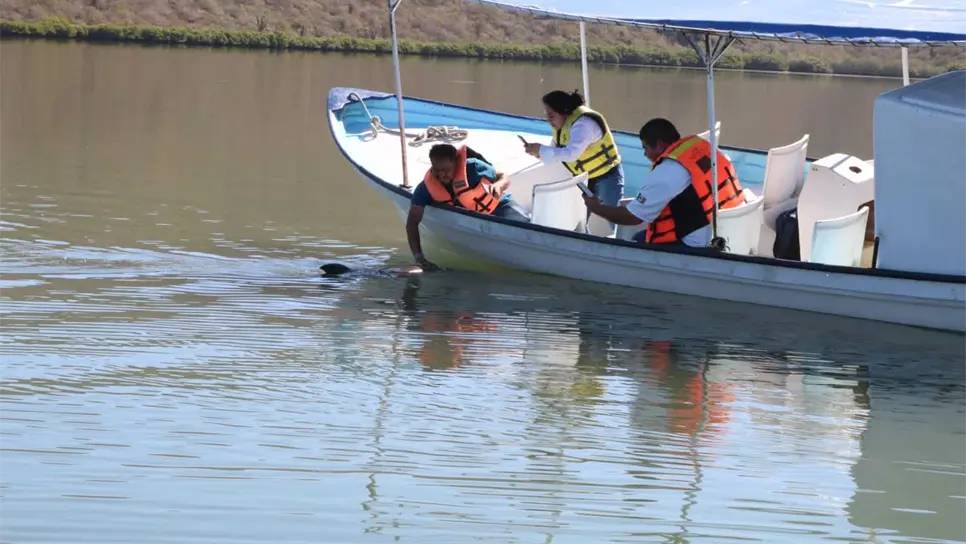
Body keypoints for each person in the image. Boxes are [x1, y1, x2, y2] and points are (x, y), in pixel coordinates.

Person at [581, 117, 746, 248]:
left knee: (636, 240)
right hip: (726, 233)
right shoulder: (703, 147)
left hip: (695, 244)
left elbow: (632, 217)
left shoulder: (666, 173)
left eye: (646, 148)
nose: (645, 154)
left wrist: (597, 208)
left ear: (659, 145)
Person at [407, 143, 530, 271]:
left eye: (446, 170)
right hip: (474, 221)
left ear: (456, 163)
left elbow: (503, 176)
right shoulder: (426, 187)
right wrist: (419, 258)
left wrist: (499, 185)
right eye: (437, 170)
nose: (442, 174)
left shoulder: (473, 167)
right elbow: (412, 222)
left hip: (500, 206)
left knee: (528, 226)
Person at [522, 89, 625, 235]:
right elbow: (554, 154)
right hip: (585, 180)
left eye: (551, 116)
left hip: (607, 176)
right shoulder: (562, 127)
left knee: (609, 219)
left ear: (563, 112)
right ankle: (584, 246)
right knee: (580, 222)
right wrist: (538, 153)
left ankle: (612, 246)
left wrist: (542, 150)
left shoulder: (584, 124)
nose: (549, 121)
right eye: (547, 116)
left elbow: (572, 154)